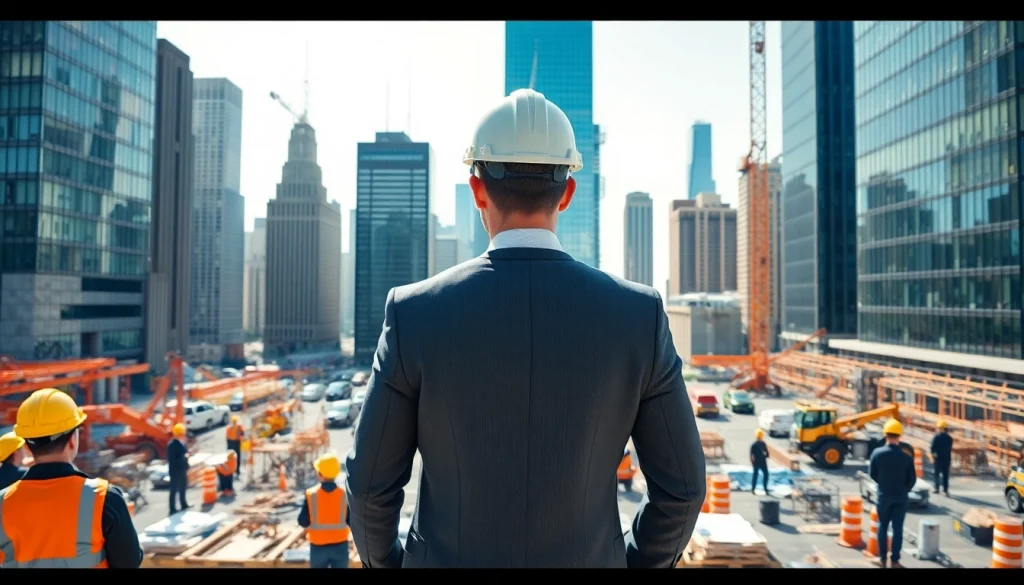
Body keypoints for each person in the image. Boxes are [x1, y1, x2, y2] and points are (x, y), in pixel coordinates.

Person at [345, 88, 706, 569]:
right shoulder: (638, 315)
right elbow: (682, 490)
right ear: (568, 192)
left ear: (477, 190)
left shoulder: (413, 313)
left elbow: (369, 490)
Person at [0, 388, 143, 568]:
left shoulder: (2, 504)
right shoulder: (105, 499)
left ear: (27, 448)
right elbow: (128, 562)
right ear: (73, 441)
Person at [868, 418, 916, 568]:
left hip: (884, 495)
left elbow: (872, 474)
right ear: (899, 436)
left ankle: (882, 559)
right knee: (898, 529)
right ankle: (895, 560)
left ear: (885, 434)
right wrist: (904, 489)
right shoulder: (906, 457)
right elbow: (912, 480)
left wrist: (883, 483)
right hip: (900, 497)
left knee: (883, 526)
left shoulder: (877, 453)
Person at [298, 452, 350, 569]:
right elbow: (351, 520)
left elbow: (302, 521)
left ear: (320, 474)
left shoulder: (311, 494)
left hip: (318, 546)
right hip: (340, 545)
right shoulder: (343, 495)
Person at [167, 422, 191, 515]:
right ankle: (172, 508)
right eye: (182, 434)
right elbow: (172, 459)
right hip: (175, 470)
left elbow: (185, 452)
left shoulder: (182, 443)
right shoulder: (172, 445)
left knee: (183, 487)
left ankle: (183, 504)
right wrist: (184, 457)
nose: (183, 436)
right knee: (174, 489)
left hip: (182, 469)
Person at [929, 419, 953, 496]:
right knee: (945, 475)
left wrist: (932, 457)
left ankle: (936, 488)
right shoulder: (949, 438)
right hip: (947, 459)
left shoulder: (936, 437)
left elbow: (932, 448)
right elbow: (949, 448)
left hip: (938, 458)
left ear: (939, 428)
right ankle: (945, 490)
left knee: (937, 474)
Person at [750, 429, 770, 495]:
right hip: (761, 462)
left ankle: (755, 489)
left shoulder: (756, 444)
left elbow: (751, 455)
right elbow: (767, 454)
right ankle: (764, 488)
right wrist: (765, 454)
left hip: (758, 462)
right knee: (764, 475)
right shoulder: (760, 444)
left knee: (757, 475)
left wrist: (752, 463)